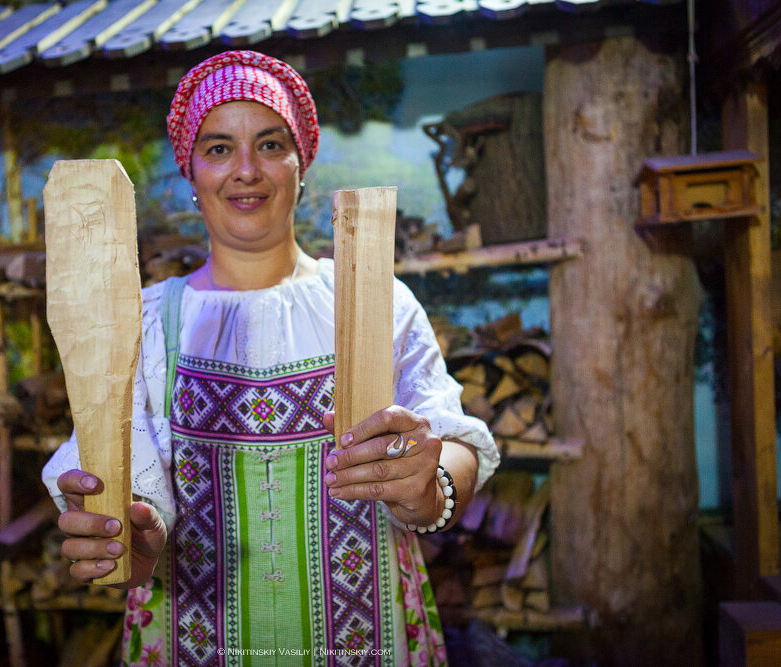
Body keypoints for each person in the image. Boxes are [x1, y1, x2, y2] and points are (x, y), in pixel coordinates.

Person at [42, 50, 500, 666]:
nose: (247, 170)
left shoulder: (374, 298)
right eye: (218, 148)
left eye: (270, 144)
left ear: (300, 162)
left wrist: (431, 483)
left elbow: (459, 443)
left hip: (369, 642)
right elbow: (124, 497)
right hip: (192, 641)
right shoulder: (142, 323)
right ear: (191, 170)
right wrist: (127, 536)